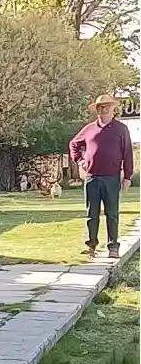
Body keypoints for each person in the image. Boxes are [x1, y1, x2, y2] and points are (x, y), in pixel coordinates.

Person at [69, 92, 133, 259]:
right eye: (101, 107)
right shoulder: (89, 129)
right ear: (97, 110)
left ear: (113, 109)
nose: (104, 109)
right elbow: (74, 144)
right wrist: (80, 161)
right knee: (92, 213)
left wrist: (127, 176)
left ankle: (113, 247)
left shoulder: (121, 129)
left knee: (112, 213)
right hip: (92, 177)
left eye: (107, 107)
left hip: (112, 177)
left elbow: (127, 153)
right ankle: (91, 245)